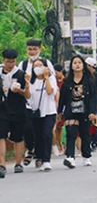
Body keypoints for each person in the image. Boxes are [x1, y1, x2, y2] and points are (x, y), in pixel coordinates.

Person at [57, 54, 97, 168]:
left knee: (85, 134)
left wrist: (93, 112)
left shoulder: (90, 81)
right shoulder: (67, 82)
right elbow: (63, 98)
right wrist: (60, 111)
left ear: (83, 65)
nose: (77, 65)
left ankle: (86, 156)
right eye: (74, 63)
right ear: (71, 66)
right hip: (71, 110)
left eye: (79, 63)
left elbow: (94, 98)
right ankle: (70, 157)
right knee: (71, 133)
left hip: (85, 111)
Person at [17, 38, 54, 166]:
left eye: (34, 49)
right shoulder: (22, 65)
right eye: (29, 49)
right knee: (27, 129)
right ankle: (30, 149)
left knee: (40, 130)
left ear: (39, 49)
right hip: (27, 102)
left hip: (43, 103)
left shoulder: (46, 63)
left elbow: (52, 81)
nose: (32, 52)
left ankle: (39, 155)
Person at [0, 48, 30, 178]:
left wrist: (20, 90)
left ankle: (18, 163)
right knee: (1, 135)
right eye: (8, 62)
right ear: (3, 61)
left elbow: (27, 95)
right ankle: (2, 164)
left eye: (12, 62)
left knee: (18, 136)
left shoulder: (21, 74)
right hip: (2, 109)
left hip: (18, 109)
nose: (10, 64)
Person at [27, 58, 57, 171]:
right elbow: (28, 96)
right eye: (35, 66)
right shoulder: (31, 81)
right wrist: (25, 84)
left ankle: (46, 160)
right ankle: (39, 157)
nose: (38, 68)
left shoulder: (51, 79)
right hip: (36, 112)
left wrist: (46, 77)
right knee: (38, 135)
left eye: (40, 65)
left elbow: (50, 92)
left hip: (49, 111)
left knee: (47, 134)